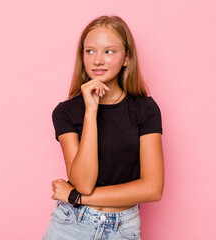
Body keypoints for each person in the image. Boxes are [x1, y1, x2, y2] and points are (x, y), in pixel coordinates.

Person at [43, 15, 164, 240]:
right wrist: (91, 111)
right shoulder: (66, 112)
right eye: (90, 51)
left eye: (109, 51)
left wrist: (76, 197)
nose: (97, 60)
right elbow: (83, 184)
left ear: (126, 58)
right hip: (71, 225)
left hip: (124, 228)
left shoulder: (145, 109)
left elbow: (152, 188)